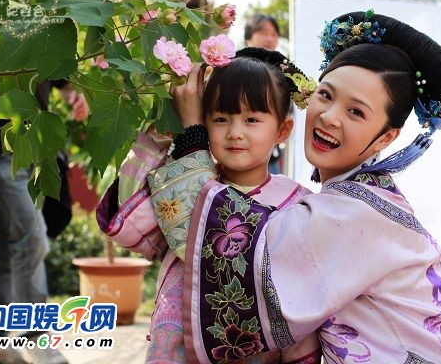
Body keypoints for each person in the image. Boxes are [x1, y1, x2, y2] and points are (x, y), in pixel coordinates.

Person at [152, 10, 441, 363]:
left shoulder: (353, 213)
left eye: (356, 112)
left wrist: (193, 135)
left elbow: (238, 255)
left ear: (386, 138)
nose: (329, 117)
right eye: (326, 95)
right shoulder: (365, 198)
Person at [97, 48, 321, 363]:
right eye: (220, 118)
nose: (235, 132)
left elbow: (300, 300)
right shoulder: (182, 171)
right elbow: (128, 211)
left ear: (282, 130)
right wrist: (179, 125)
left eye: (252, 119)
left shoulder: (298, 205)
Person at [0, 58, 88, 364]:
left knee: (9, 250)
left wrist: (76, 95)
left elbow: (57, 66)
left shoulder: (44, 13)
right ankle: (34, 338)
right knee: (30, 240)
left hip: (35, 147)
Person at [244, 14, 284, 174]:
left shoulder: (284, 72)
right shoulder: (232, 70)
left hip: (270, 159)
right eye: (263, 32)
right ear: (248, 39)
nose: (269, 38)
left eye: (274, 34)